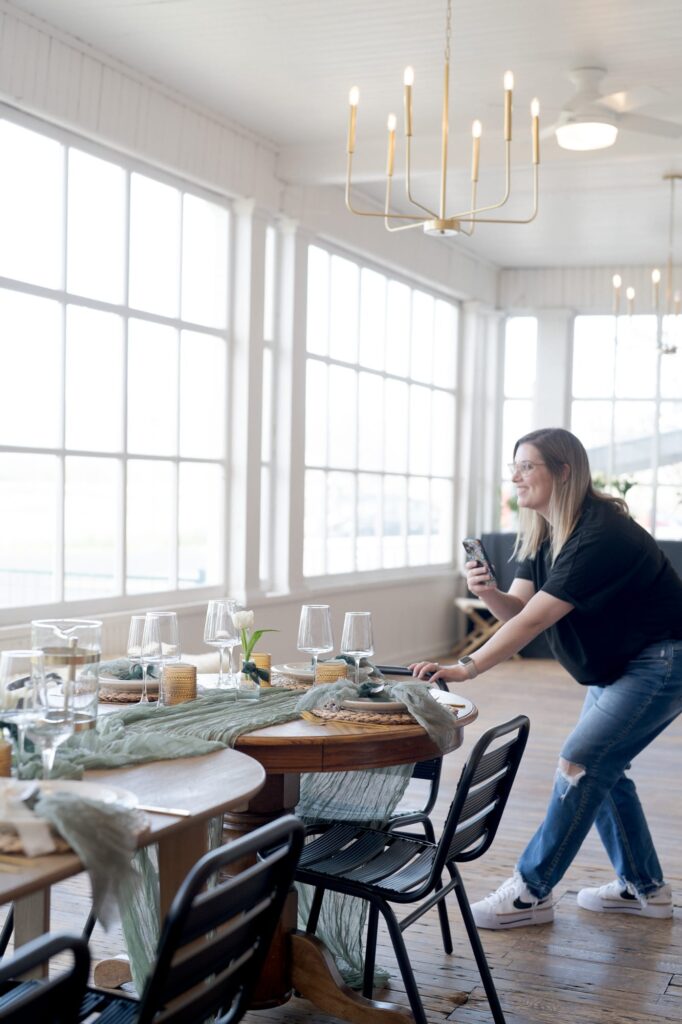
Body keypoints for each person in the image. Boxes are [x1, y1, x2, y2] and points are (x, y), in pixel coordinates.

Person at [410, 427, 682, 929]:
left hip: (661, 661)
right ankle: (643, 887)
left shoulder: (599, 535)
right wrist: (488, 591)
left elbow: (537, 621)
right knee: (604, 766)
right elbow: (518, 609)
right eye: (513, 466)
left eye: (527, 466)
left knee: (581, 762)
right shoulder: (547, 530)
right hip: (620, 663)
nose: (514, 476)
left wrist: (466, 666)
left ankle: (531, 893)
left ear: (563, 471)